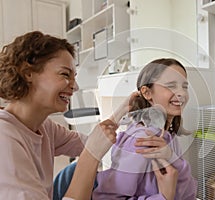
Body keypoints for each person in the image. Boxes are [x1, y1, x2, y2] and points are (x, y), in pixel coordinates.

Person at [0, 31, 179, 200]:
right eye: (65, 74)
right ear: (28, 73)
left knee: (72, 171)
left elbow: (89, 143)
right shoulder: (5, 139)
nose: (75, 86)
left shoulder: (43, 127)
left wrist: (120, 115)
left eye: (74, 77)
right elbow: (91, 149)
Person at [54, 58, 197, 199]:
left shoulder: (168, 138)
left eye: (184, 86)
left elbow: (189, 193)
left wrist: (173, 159)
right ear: (147, 93)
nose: (181, 93)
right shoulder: (142, 140)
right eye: (171, 85)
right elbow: (109, 198)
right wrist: (163, 197)